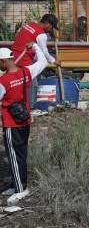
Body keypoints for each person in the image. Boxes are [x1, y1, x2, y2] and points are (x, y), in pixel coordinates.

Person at [0, 44, 48, 203]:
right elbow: (43, 61)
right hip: (25, 120)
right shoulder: (26, 72)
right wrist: (34, 46)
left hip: (12, 124)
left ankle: (21, 189)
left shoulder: (3, 81)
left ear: (4, 61)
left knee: (14, 156)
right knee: (20, 155)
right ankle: (16, 184)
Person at [11, 13, 59, 110]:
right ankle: (32, 109)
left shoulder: (30, 25)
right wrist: (54, 61)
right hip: (24, 60)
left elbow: (33, 36)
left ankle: (17, 107)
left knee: (16, 84)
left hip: (14, 57)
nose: (51, 29)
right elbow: (44, 52)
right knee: (32, 84)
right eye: (51, 27)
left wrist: (49, 35)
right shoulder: (41, 34)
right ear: (47, 23)